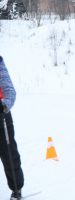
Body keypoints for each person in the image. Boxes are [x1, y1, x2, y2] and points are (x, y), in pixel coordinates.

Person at [0, 56, 24, 200]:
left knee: (10, 156)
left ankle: (16, 189)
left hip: (2, 115)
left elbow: (9, 90)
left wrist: (5, 104)